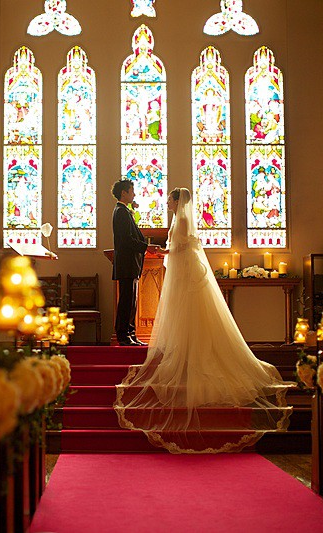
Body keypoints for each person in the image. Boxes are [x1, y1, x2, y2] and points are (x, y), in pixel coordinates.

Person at [114, 187, 293, 453]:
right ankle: (182, 350)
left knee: (189, 314)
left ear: (178, 201)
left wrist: (167, 251)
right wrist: (165, 250)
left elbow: (186, 244)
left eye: (170, 199)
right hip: (178, 271)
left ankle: (189, 354)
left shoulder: (183, 220)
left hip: (185, 272)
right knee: (182, 315)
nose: (167, 201)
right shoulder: (170, 218)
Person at [111, 179, 157, 346]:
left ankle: (130, 333)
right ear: (124, 192)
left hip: (131, 263)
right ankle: (123, 336)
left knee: (131, 302)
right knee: (126, 301)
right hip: (126, 263)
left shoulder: (125, 211)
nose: (134, 194)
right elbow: (126, 240)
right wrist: (147, 247)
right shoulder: (121, 212)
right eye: (132, 191)